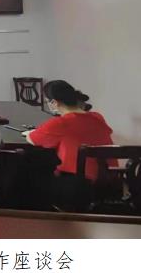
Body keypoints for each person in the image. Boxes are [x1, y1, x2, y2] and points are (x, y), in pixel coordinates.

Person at [24, 80, 114, 210]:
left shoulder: (61, 123)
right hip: (108, 179)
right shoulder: (97, 117)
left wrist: (29, 133)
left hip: (76, 185)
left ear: (54, 103)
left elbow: (33, 139)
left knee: (34, 174)